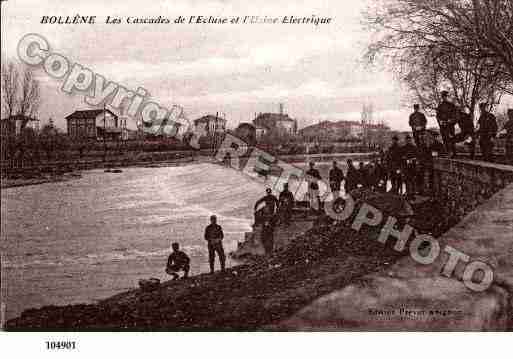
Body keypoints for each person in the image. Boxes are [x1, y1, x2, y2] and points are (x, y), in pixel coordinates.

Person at [436, 91, 457, 157]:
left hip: (450, 126)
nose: (444, 98)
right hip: (443, 126)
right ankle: (448, 153)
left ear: (447, 97)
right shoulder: (440, 106)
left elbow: (455, 116)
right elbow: (437, 116)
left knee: (452, 139)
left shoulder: (451, 105)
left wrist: (451, 120)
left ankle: (454, 153)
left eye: (445, 96)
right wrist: (440, 122)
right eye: (443, 96)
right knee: (445, 139)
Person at [401, 135, 419, 199]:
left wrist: (412, 159)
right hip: (406, 167)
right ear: (406, 140)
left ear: (411, 140)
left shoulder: (414, 148)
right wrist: (404, 159)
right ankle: (408, 193)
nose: (408, 141)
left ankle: (413, 194)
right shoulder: (403, 148)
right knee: (407, 180)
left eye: (409, 140)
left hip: (412, 167)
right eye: (407, 140)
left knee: (413, 180)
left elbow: (417, 157)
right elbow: (401, 157)